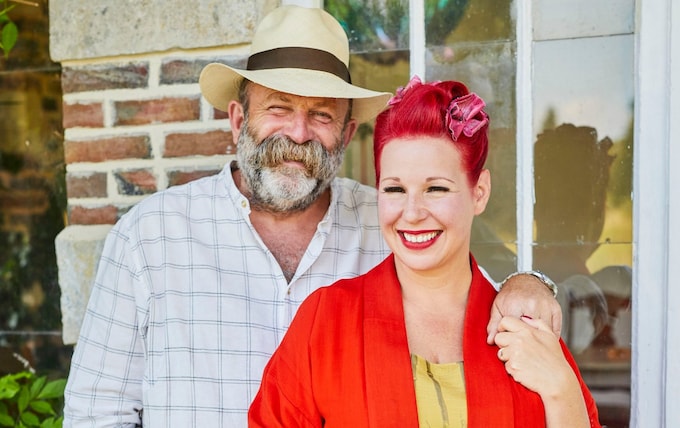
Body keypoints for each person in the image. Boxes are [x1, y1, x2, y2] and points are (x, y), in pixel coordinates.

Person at [63, 6, 562, 427]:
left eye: (321, 114)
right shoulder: (149, 237)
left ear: (345, 135)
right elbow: (96, 413)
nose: (299, 134)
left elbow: (476, 299)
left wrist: (530, 284)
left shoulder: (390, 223)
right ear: (238, 120)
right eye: (278, 108)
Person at [248, 76, 601, 427]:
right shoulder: (327, 320)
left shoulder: (525, 329)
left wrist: (560, 388)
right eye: (395, 190)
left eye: (436, 189)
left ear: (479, 193)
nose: (413, 213)